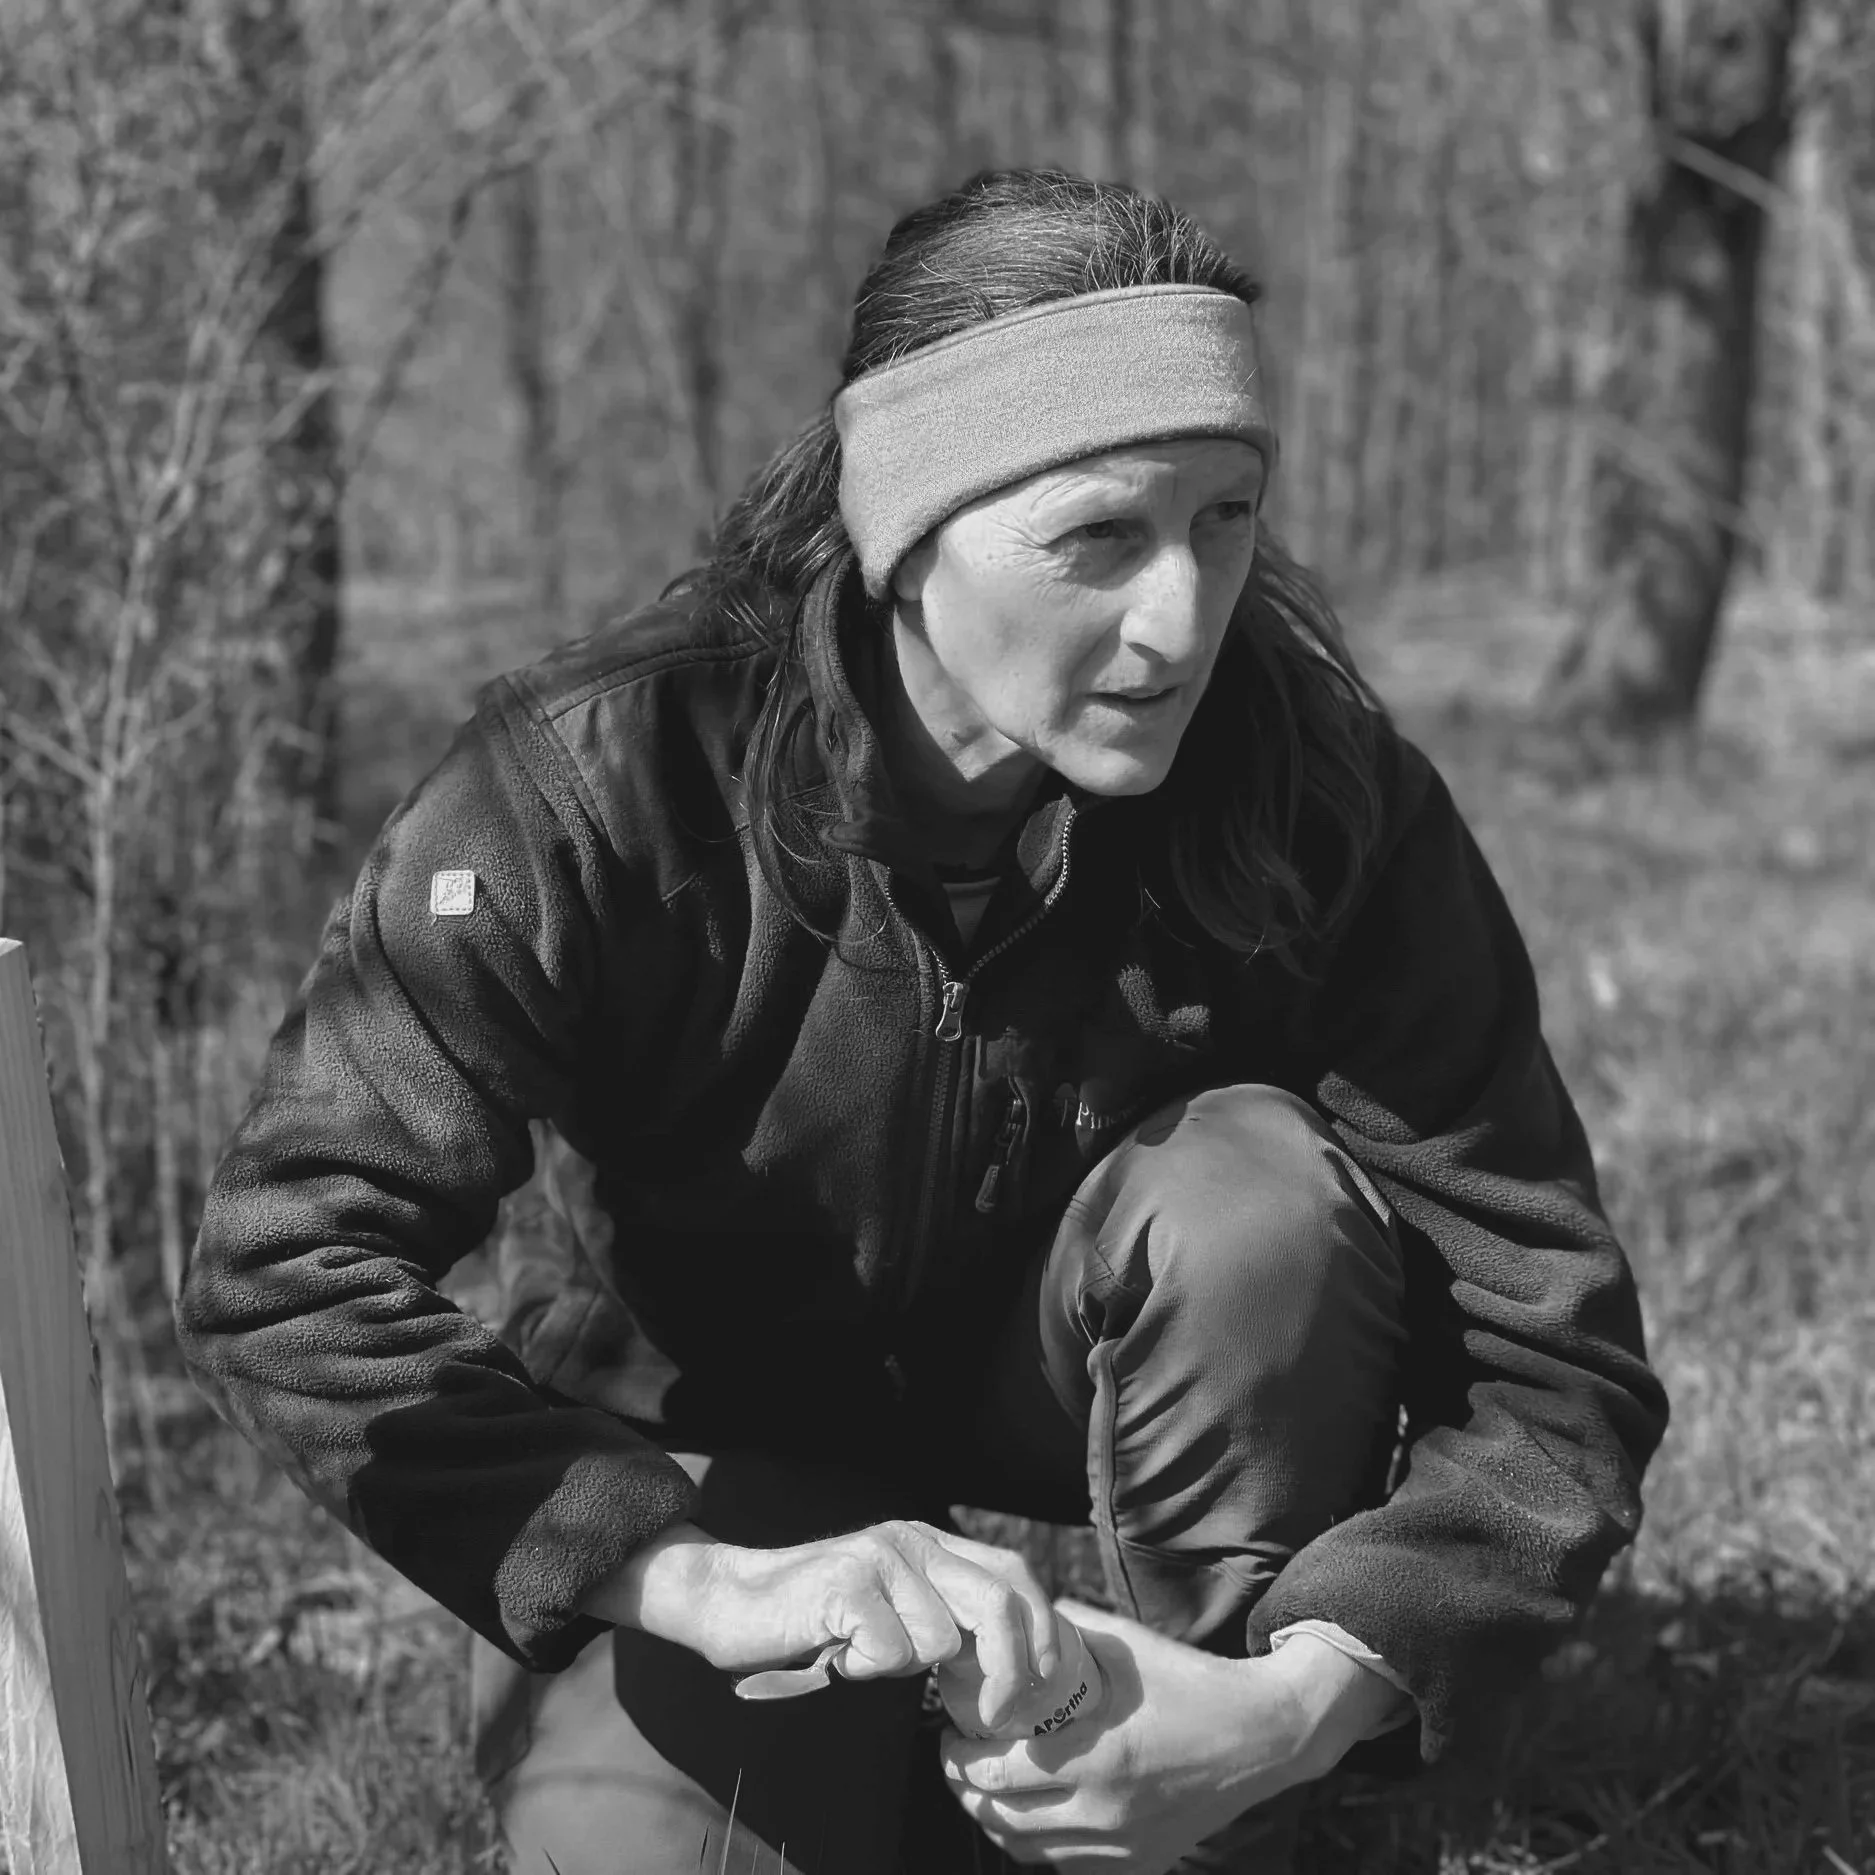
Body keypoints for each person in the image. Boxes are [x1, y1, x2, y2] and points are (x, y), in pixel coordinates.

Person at [175, 168, 1668, 1874]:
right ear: (903, 529)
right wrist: (695, 1580)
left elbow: (1552, 1348)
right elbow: (285, 1261)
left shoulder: (1316, 792)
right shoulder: (601, 786)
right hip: (708, 1440)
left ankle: (1215, 1783)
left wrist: (1305, 1696)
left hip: (1090, 1370)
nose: (1181, 616)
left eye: (1225, 516)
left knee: (1255, 1200)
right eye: (1097, 536)